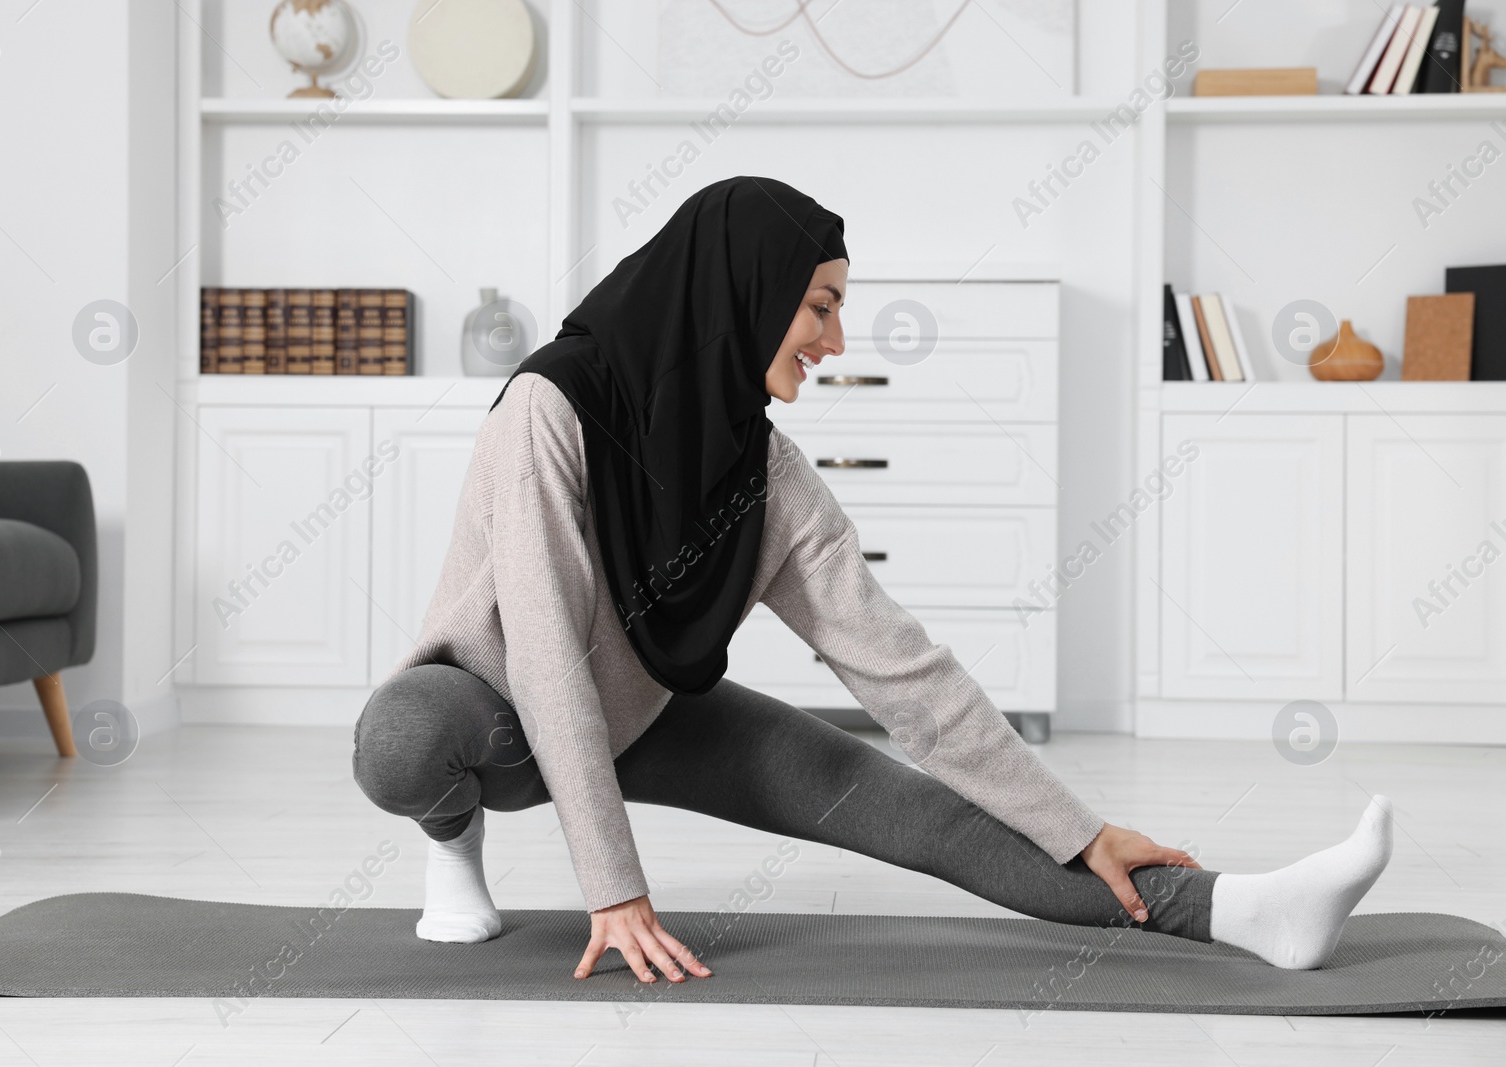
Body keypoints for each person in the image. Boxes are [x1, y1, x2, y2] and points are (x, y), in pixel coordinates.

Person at [352, 176, 1394, 985]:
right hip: (490, 713)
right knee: (401, 737)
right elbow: (540, 651)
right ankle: (453, 847)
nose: (835, 341)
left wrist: (1076, 825)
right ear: (744, 292)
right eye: (817, 306)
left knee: (921, 813)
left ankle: (1241, 910)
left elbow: (906, 673)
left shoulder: (764, 475)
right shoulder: (549, 410)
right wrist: (615, 890)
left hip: (643, 709)